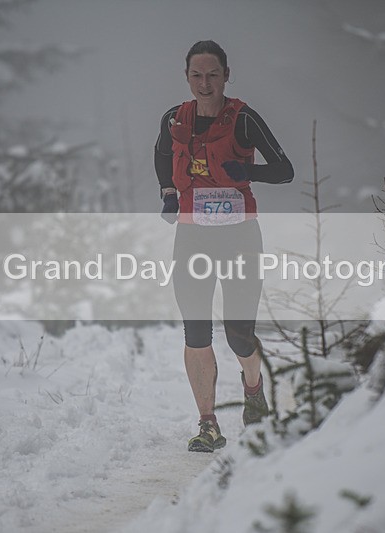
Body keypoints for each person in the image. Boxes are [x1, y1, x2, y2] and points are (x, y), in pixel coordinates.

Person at [154, 40, 294, 452]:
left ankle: (253, 389)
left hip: (239, 238)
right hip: (192, 235)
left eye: (213, 74)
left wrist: (246, 170)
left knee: (238, 334)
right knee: (196, 332)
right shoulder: (173, 119)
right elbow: (162, 155)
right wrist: (167, 192)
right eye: (197, 75)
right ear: (187, 77)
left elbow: (285, 170)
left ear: (226, 76)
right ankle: (208, 424)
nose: (204, 82)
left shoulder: (244, 119)